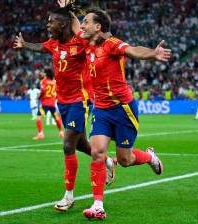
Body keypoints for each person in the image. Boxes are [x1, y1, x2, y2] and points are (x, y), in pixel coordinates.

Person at [69, 8, 171, 219]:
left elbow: (133, 50)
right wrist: (67, 10)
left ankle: (150, 157)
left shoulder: (112, 44)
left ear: (98, 27)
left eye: (86, 22)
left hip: (123, 109)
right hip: (101, 109)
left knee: (125, 159)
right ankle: (98, 205)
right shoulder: (87, 42)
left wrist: (153, 53)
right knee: (97, 152)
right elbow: (75, 27)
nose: (83, 25)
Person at [13, 4, 116, 212]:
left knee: (68, 144)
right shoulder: (53, 44)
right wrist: (24, 44)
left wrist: (70, 10)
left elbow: (103, 36)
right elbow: (40, 47)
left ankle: (68, 196)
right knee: (80, 145)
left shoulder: (81, 42)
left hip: (80, 100)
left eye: (51, 21)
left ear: (63, 24)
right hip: (63, 102)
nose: (47, 24)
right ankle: (107, 161)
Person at [34, 68, 64, 139]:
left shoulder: (44, 81)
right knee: (56, 118)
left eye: (44, 72)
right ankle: (61, 133)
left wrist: (38, 98)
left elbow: (43, 90)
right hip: (53, 103)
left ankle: (40, 134)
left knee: (38, 117)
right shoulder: (54, 82)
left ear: (46, 74)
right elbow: (57, 92)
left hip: (45, 103)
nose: (43, 74)